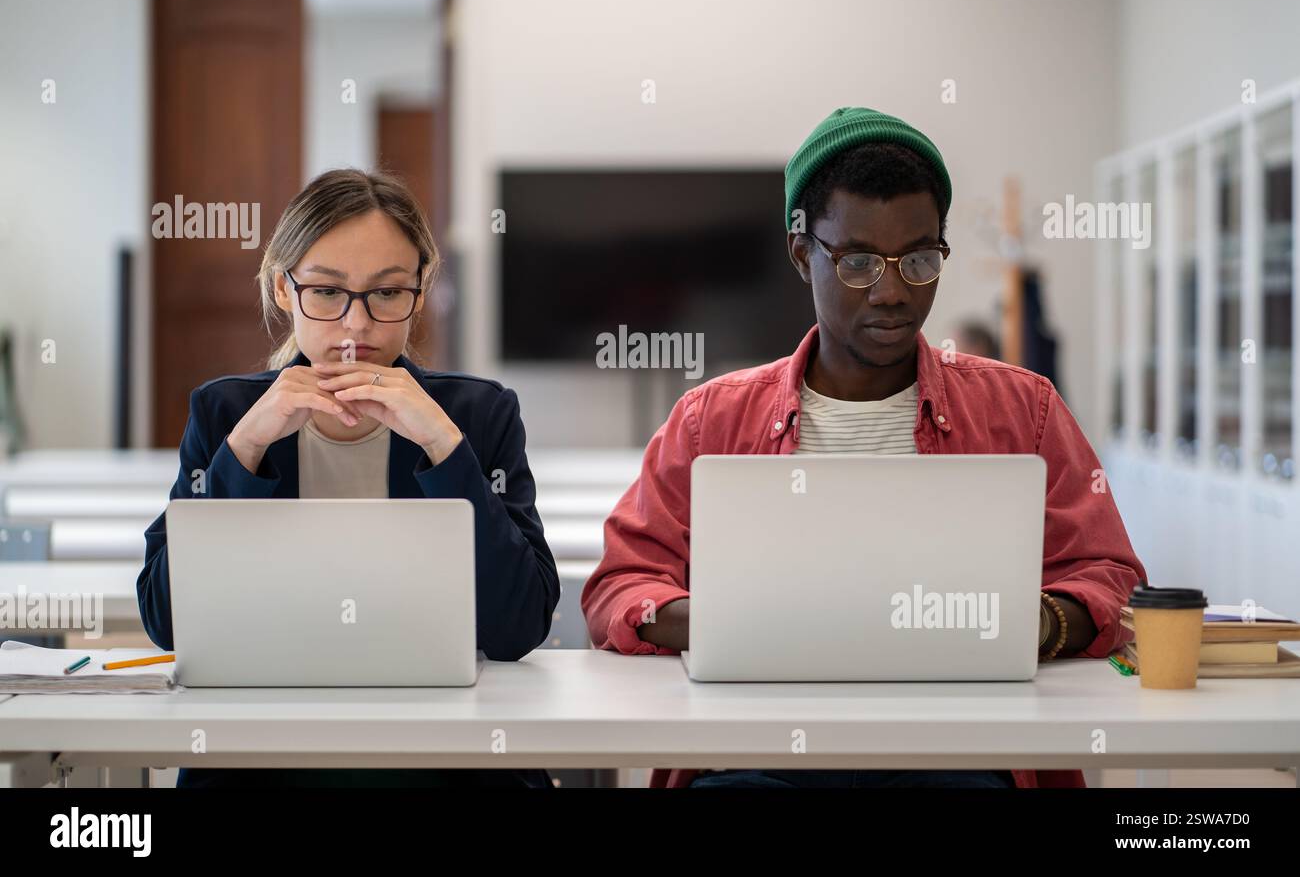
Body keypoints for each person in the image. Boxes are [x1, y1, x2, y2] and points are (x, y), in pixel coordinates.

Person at [581, 107, 1147, 788]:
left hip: (958, 762)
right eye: (856, 262)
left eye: (917, 259)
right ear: (801, 253)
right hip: (758, 763)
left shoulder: (1023, 412)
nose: (891, 292)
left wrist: (1041, 625)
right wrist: (724, 624)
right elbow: (618, 585)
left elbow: (1112, 578)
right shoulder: (709, 423)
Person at [138, 168, 559, 787]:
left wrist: (444, 446)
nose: (356, 326)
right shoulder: (226, 414)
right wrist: (247, 448)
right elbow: (166, 619)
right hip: (265, 754)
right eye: (327, 292)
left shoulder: (478, 416)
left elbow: (519, 626)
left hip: (443, 752)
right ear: (284, 290)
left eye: (387, 294)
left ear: (420, 291)